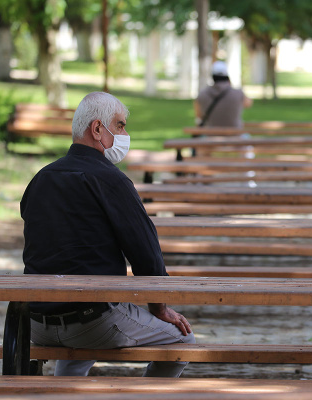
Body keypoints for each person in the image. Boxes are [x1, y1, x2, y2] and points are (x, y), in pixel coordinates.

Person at [21, 92, 195, 377]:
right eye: (121, 125)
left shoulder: (40, 179)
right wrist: (160, 308)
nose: (125, 133)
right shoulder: (110, 180)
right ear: (98, 129)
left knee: (82, 340)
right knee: (183, 340)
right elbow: (146, 255)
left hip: (37, 324)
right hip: (91, 322)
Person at [194, 60, 253, 128]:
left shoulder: (202, 94)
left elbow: (199, 116)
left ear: (212, 77)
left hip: (209, 135)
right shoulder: (238, 93)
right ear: (227, 76)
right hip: (235, 135)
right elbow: (248, 103)